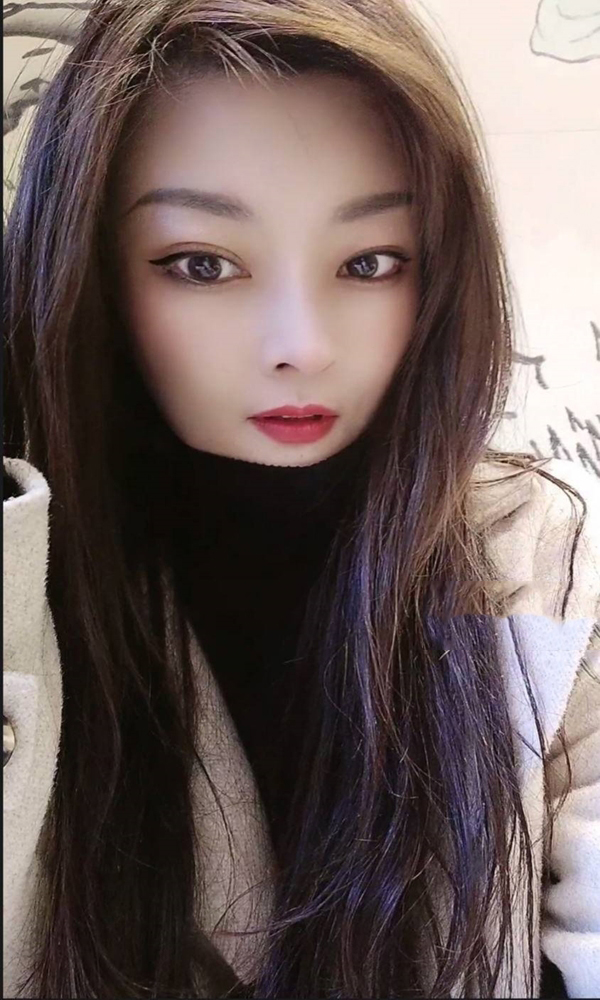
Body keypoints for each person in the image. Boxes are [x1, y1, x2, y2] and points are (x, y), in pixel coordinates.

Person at [3, 1, 600, 997]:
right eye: (202, 264)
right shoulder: (32, 573)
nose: (302, 345)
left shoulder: (531, 548)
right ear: (92, 269)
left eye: (370, 262)